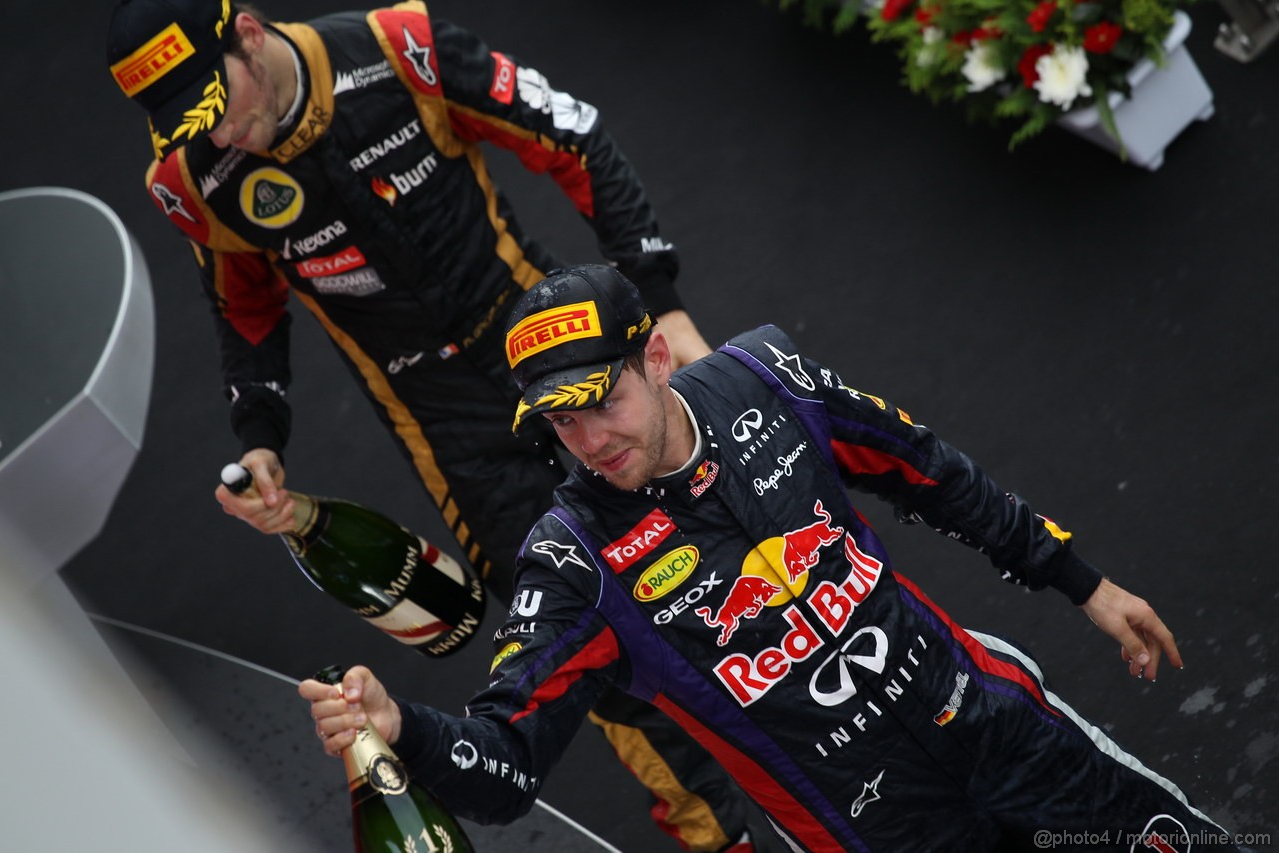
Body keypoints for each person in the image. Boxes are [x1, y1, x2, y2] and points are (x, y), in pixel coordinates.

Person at [105, 2, 770, 851]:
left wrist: (663, 304)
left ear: (250, 33)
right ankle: (722, 837)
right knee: (591, 644)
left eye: (218, 101)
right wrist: (260, 435)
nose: (223, 131)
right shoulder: (190, 180)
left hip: (558, 353)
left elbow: (575, 136)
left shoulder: (397, 48)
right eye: (191, 123)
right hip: (446, 433)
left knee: (723, 547)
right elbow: (242, 306)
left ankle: (845, 747)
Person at [301, 265, 1248, 852]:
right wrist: (407, 731)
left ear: (658, 360)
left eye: (602, 399)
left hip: (994, 720)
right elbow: (504, 768)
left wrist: (1081, 580)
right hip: (867, 830)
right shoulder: (572, 564)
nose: (587, 439)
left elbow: (924, 470)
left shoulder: (764, 374)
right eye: (557, 420)